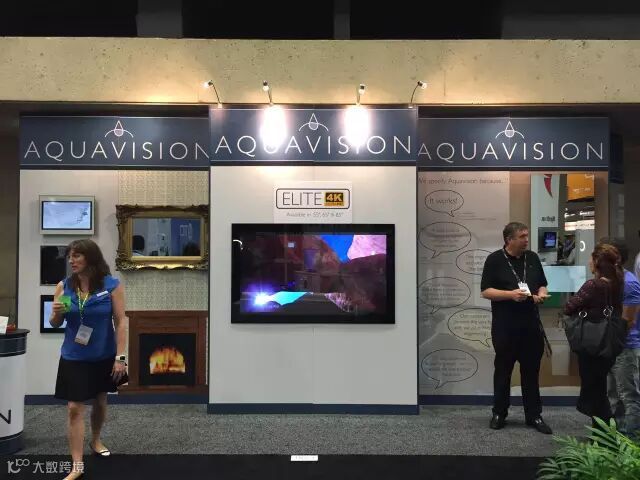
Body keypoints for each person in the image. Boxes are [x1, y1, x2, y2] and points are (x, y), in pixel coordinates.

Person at [49, 239, 128, 480]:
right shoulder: (64, 287)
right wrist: (56, 314)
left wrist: (121, 357)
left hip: (104, 355)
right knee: (74, 408)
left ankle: (95, 440)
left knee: (100, 400)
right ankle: (77, 466)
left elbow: (121, 322)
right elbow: (56, 323)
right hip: (74, 356)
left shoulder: (111, 285)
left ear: (90, 258)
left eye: (77, 256)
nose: (71, 261)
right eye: (70, 256)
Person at [481, 222, 552, 434]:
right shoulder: (494, 260)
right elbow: (486, 291)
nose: (526, 240)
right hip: (505, 327)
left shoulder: (532, 258)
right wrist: (511, 295)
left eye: (526, 236)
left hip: (531, 326)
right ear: (509, 240)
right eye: (522, 236)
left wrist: (541, 294)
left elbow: (542, 283)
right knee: (503, 372)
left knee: (531, 372)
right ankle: (499, 413)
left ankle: (534, 415)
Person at [564, 243, 624, 428]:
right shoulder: (617, 283)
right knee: (600, 389)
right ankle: (602, 434)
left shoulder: (593, 285)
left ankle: (604, 435)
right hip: (608, 344)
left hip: (591, 345)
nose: (589, 262)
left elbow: (569, 307)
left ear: (597, 261)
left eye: (591, 258)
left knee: (595, 393)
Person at [602, 239, 640, 437]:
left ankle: (632, 440)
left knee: (628, 395)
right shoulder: (609, 281)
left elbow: (629, 322)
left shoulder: (630, 283)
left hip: (625, 346)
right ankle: (616, 436)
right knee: (612, 394)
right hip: (611, 345)